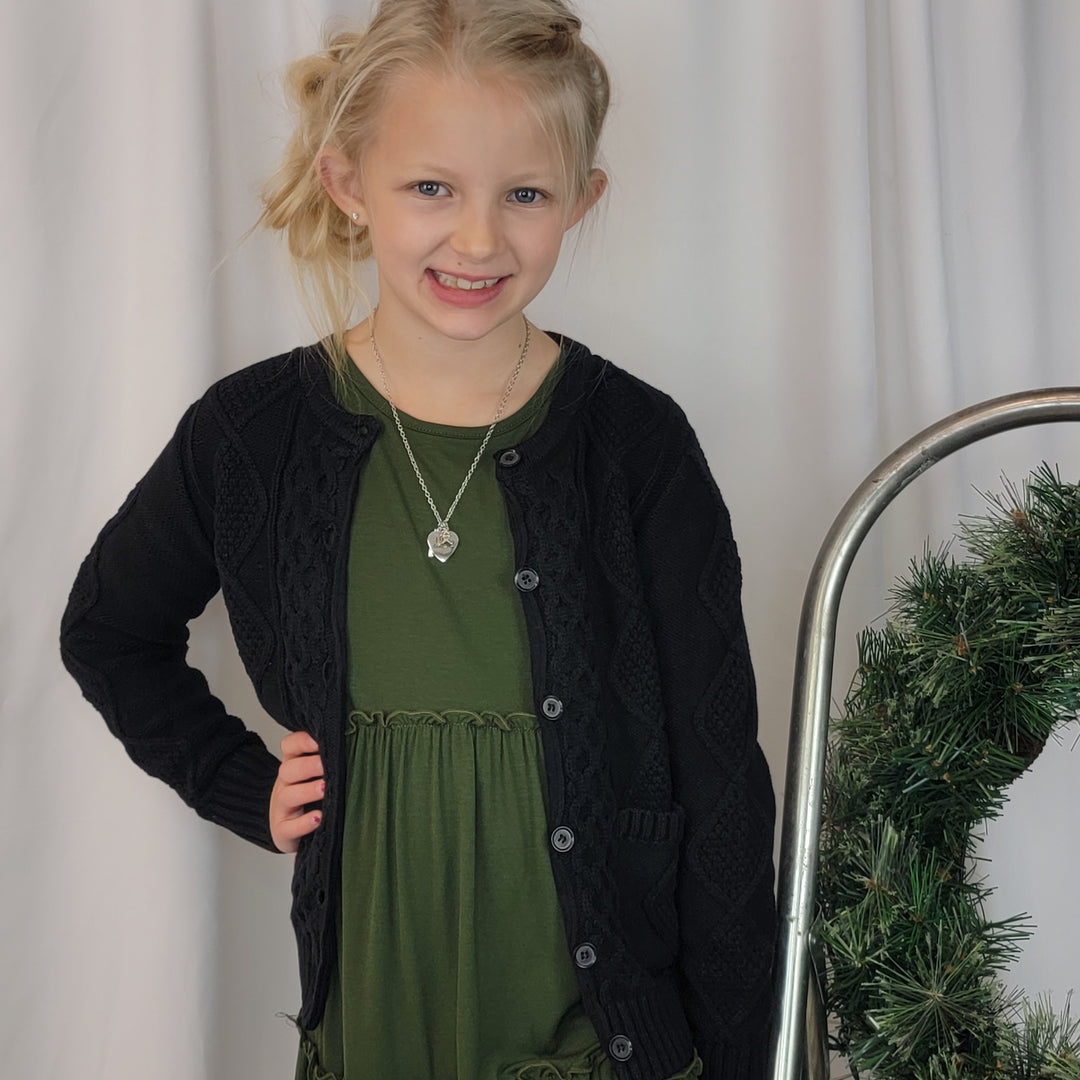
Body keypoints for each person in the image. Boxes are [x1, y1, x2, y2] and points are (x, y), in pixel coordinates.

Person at [59, 1, 777, 1077]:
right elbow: (110, 629)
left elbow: (720, 779)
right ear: (349, 183)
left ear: (584, 201)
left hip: (599, 1032)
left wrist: (738, 1056)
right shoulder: (251, 434)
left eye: (525, 194)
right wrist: (232, 779)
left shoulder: (637, 445)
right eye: (432, 187)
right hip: (379, 1018)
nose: (480, 238)